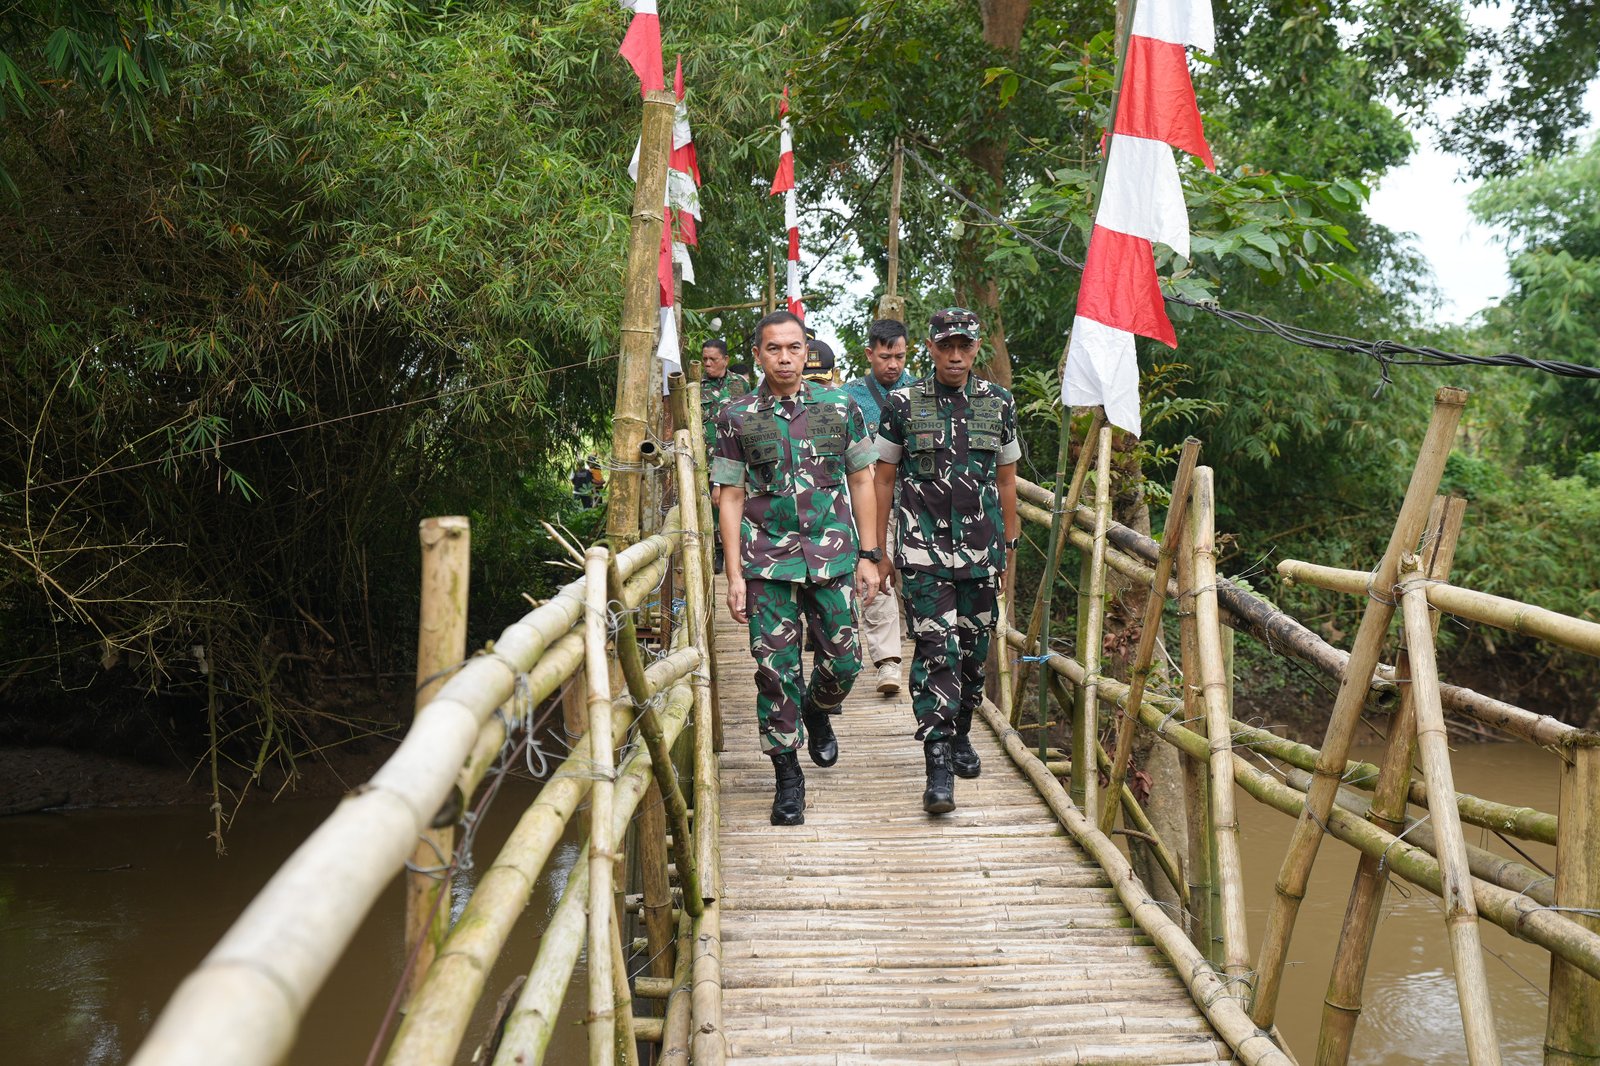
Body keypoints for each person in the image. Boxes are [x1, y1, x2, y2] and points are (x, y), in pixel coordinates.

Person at [713, 311, 882, 826]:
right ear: (758, 355)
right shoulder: (735, 415)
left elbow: (862, 480)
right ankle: (788, 778)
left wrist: (870, 555)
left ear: (807, 351)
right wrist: (734, 576)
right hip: (767, 562)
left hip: (833, 556)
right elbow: (731, 495)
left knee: (846, 662)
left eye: (793, 348)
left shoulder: (840, 406)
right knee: (774, 672)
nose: (784, 358)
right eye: (773, 349)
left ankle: (817, 709)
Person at [873, 307, 1020, 814]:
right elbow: (883, 479)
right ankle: (936, 764)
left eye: (965, 346)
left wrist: (1010, 548)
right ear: (931, 348)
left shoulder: (998, 403)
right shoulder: (902, 403)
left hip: (982, 552)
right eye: (946, 346)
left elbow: (1006, 480)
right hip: (922, 553)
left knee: (974, 655)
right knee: (937, 651)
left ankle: (960, 732)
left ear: (976, 348)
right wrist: (878, 551)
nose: (955, 355)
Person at [842, 319, 915, 697]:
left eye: (899, 356)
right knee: (877, 574)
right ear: (870, 354)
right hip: (872, 503)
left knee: (916, 578)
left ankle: (924, 650)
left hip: (919, 503)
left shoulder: (922, 390)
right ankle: (889, 661)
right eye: (885, 357)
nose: (893, 364)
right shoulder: (850, 397)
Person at [699, 339, 750, 572]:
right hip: (706, 460)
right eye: (705, 359)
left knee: (735, 505)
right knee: (710, 507)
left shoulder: (740, 384)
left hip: (735, 456)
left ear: (726, 360)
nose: (708, 364)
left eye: (713, 359)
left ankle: (737, 552)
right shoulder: (696, 387)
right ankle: (715, 552)